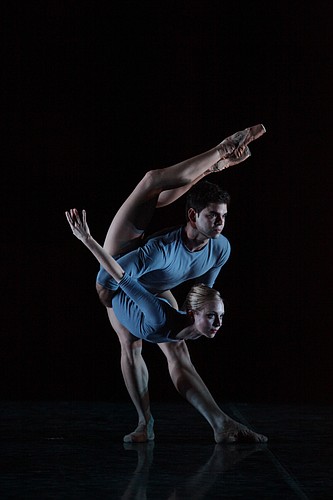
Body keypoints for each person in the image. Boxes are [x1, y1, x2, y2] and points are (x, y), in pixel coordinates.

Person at [66, 123, 268, 444]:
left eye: (223, 217)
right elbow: (111, 277)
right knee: (151, 184)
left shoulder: (219, 248)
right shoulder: (157, 252)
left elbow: (202, 293)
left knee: (178, 350)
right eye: (213, 216)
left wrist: (197, 317)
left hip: (153, 283)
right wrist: (107, 299)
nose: (220, 222)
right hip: (120, 262)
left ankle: (220, 423)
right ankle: (144, 423)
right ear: (193, 218)